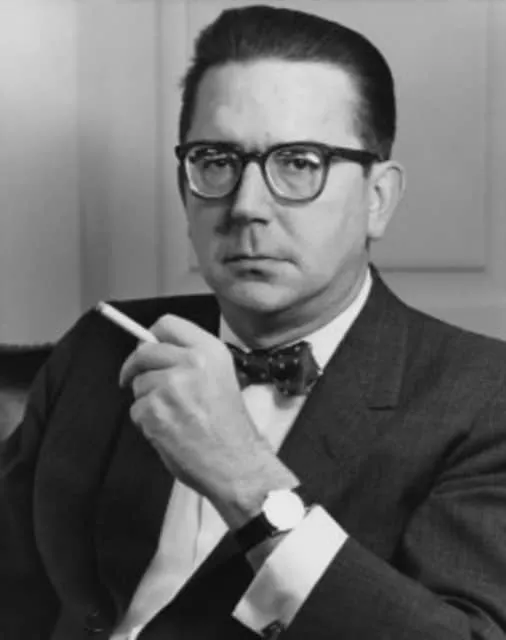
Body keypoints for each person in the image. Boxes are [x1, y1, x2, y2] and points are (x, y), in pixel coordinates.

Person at [1, 4, 506, 639]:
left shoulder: (486, 396)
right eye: (216, 160)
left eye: (300, 163)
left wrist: (244, 478)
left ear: (378, 199)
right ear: (184, 185)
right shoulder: (102, 344)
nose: (245, 206)